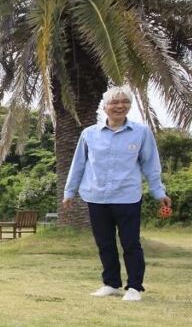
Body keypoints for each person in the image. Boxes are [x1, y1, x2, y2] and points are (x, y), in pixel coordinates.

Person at [62, 85, 171, 302]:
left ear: (129, 106)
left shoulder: (141, 133)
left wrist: (159, 192)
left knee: (131, 243)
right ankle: (111, 283)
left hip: (127, 197)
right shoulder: (89, 134)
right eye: (114, 102)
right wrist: (69, 192)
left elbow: (151, 165)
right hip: (96, 196)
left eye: (125, 102)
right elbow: (78, 165)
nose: (119, 106)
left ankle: (135, 287)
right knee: (105, 243)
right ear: (105, 106)